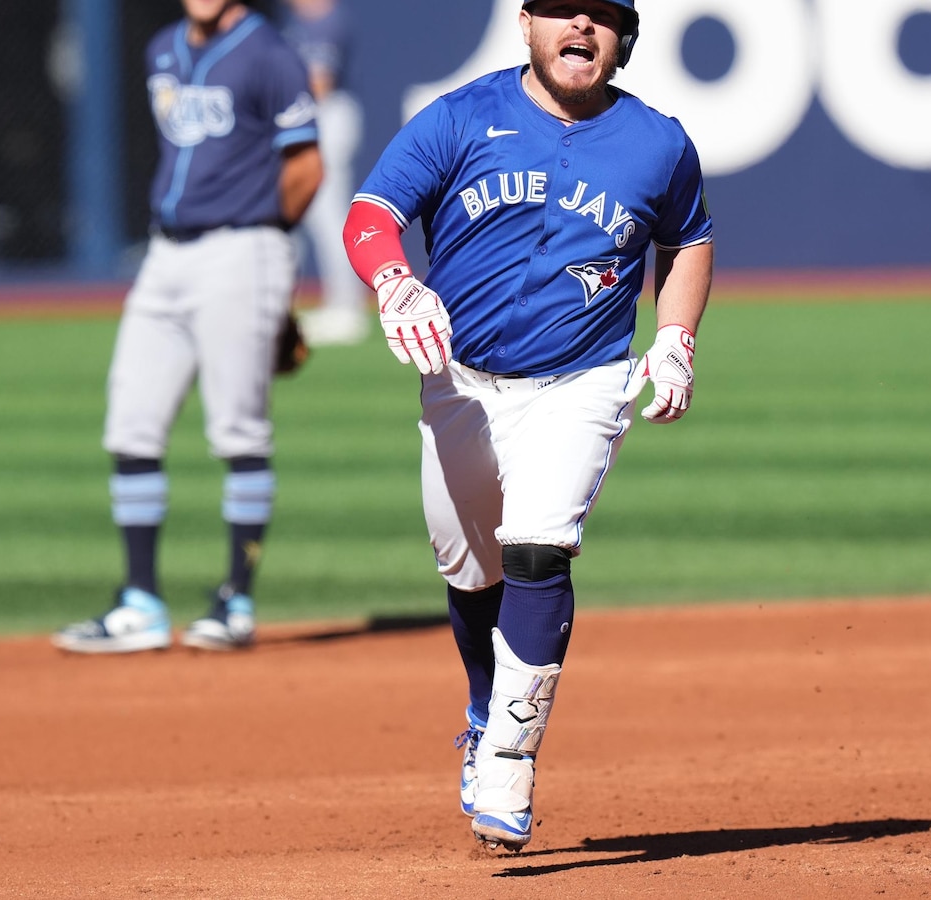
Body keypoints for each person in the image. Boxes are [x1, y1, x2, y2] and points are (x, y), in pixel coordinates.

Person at [342, 0, 713, 851]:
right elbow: (371, 214)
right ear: (526, 23)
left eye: (602, 15)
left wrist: (676, 339)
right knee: (472, 573)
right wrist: (395, 282)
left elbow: (688, 239)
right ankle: (483, 711)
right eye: (561, 9)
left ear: (624, 38)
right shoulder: (460, 116)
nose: (580, 25)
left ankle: (509, 756)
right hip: (459, 382)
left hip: (584, 381)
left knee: (539, 547)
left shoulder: (658, 141)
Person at [53, 0, 322, 654]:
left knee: (238, 430)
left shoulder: (270, 55)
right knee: (131, 422)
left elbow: (306, 167)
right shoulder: (163, 49)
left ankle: (235, 599)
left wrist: (271, 267)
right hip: (165, 254)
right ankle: (140, 601)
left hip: (244, 247)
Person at [281, 0, 369, 346]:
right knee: (301, 215)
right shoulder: (295, 21)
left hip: (327, 117)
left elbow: (321, 83)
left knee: (327, 215)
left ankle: (347, 307)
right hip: (308, 118)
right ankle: (295, 304)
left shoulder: (328, 21)